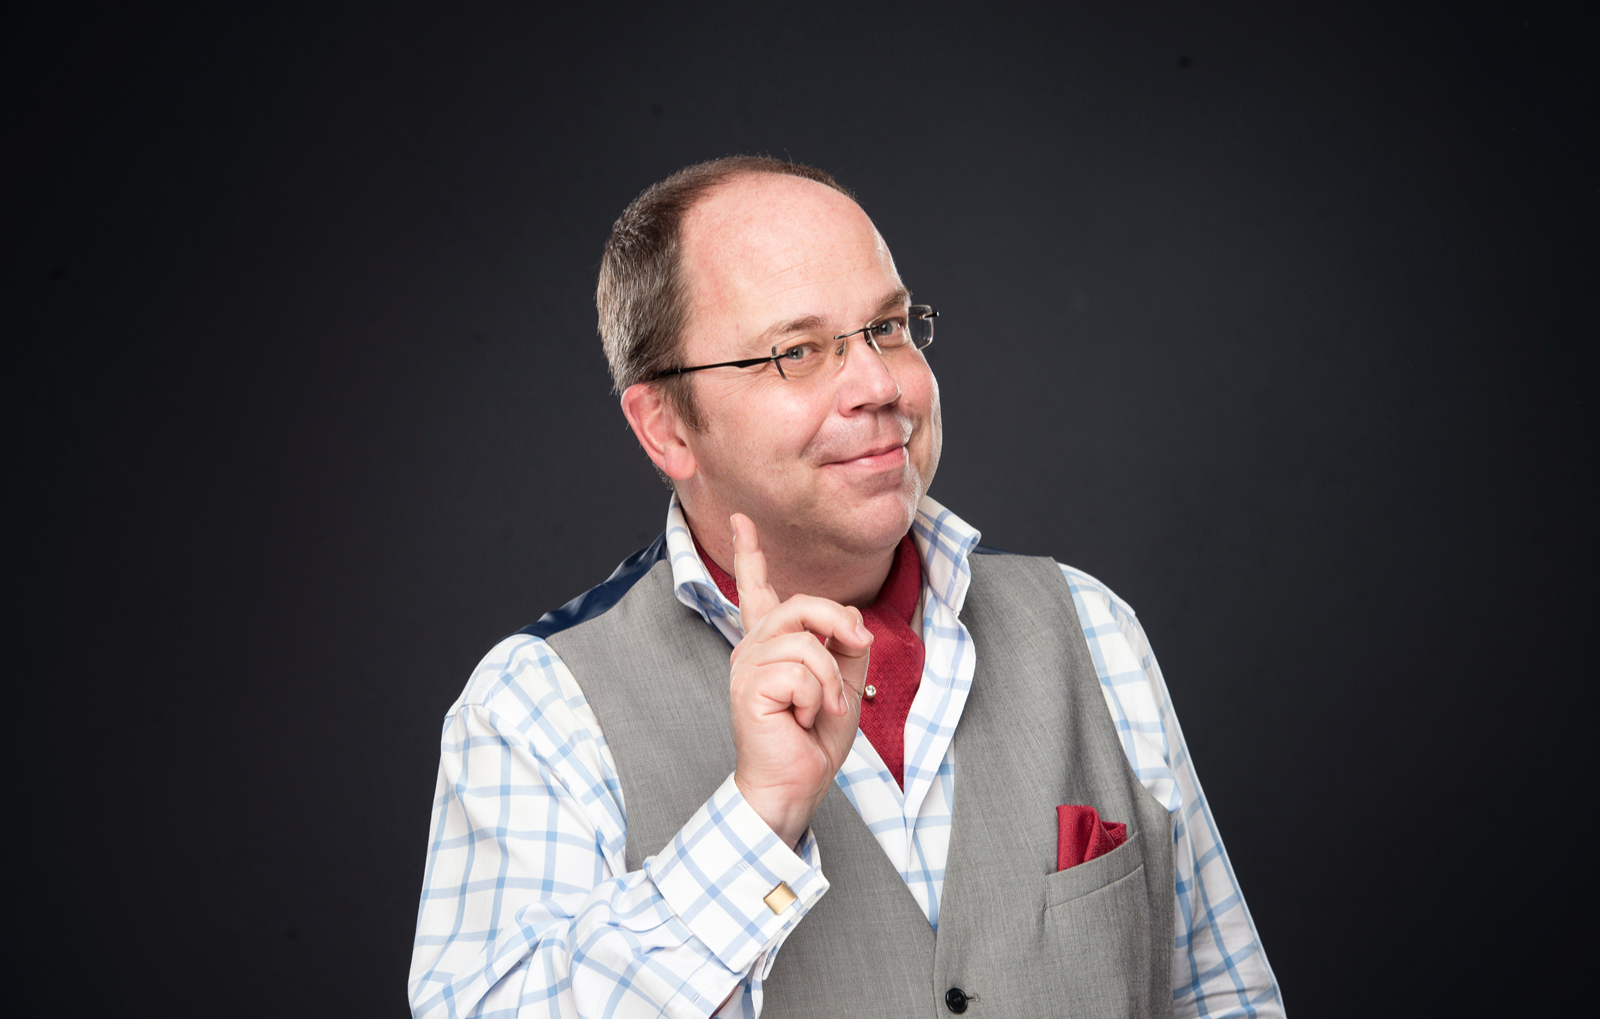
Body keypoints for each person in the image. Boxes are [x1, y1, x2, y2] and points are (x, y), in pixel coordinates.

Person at [408, 156, 1285, 1019]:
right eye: (797, 351)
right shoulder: (537, 708)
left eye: (889, 327)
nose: (880, 384)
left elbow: (1226, 1000)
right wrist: (756, 819)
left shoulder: (1092, 628)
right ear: (667, 426)